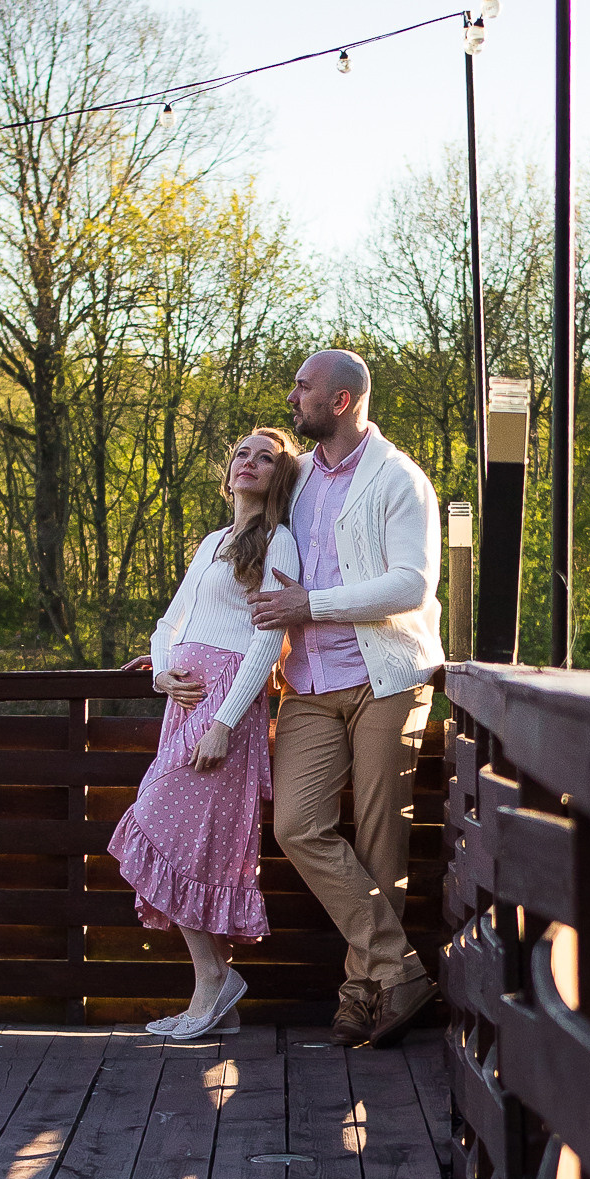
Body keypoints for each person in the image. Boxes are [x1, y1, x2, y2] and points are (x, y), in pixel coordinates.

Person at [254, 348, 444, 1049]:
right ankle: (399, 970)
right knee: (297, 824)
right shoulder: (298, 481)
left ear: (340, 402)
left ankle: (362, 995)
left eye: (304, 387)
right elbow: (244, 554)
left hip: (384, 677)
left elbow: (411, 586)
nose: (293, 395)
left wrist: (315, 603)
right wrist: (179, 643)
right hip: (305, 685)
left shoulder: (399, 478)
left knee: (379, 839)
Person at [108, 426, 304, 1043]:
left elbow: (268, 638)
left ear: (279, 478)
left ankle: (212, 985)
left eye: (265, 458)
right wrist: (162, 668)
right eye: (242, 454)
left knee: (171, 831)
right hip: (183, 702)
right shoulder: (213, 541)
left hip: (224, 703)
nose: (250, 463)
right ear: (229, 471)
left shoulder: (279, 542)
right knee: (175, 837)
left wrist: (224, 721)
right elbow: (171, 620)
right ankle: (216, 984)